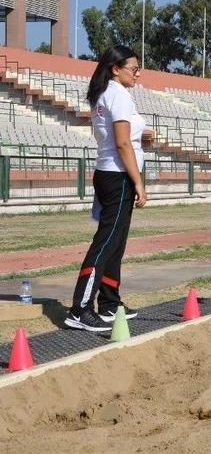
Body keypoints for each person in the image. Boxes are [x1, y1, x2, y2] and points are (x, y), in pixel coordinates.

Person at [64, 46, 147, 332]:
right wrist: (137, 181)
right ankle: (80, 308)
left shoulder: (103, 94)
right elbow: (123, 144)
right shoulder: (118, 95)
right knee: (106, 242)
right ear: (115, 68)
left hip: (108, 172)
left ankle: (110, 303)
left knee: (116, 242)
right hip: (118, 175)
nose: (138, 73)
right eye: (134, 68)